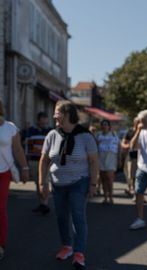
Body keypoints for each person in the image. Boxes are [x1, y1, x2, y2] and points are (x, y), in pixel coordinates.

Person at [39, 101, 99, 268]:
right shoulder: (52, 135)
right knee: (61, 217)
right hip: (57, 184)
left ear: (67, 115)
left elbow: (94, 162)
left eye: (58, 112)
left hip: (79, 182)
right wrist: (41, 181)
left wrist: (93, 184)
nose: (54, 116)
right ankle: (67, 246)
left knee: (78, 217)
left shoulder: (86, 136)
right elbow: (44, 160)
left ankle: (79, 252)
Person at [0, 100, 29, 260]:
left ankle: (1, 245)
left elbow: (17, 149)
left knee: (1, 209)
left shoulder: (9, 127)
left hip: (3, 173)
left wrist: (24, 168)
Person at [23, 112, 52, 215]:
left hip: (45, 161)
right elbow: (26, 144)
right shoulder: (31, 130)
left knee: (45, 182)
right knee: (37, 182)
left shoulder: (49, 131)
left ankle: (45, 204)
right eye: (43, 119)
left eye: (46, 119)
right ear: (38, 120)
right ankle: (41, 203)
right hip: (34, 160)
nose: (45, 121)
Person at [96, 120, 120, 204]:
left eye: (106, 125)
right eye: (102, 125)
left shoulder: (114, 134)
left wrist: (119, 159)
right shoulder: (99, 135)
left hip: (111, 159)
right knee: (103, 179)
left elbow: (118, 147)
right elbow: (95, 148)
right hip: (101, 159)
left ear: (109, 126)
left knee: (110, 179)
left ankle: (111, 197)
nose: (104, 126)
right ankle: (105, 197)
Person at [121, 117, 139, 197]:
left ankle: (136, 193)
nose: (139, 124)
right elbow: (123, 143)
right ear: (134, 123)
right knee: (130, 175)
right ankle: (131, 189)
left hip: (143, 157)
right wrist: (128, 145)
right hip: (132, 155)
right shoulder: (130, 131)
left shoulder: (145, 132)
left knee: (138, 176)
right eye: (137, 122)